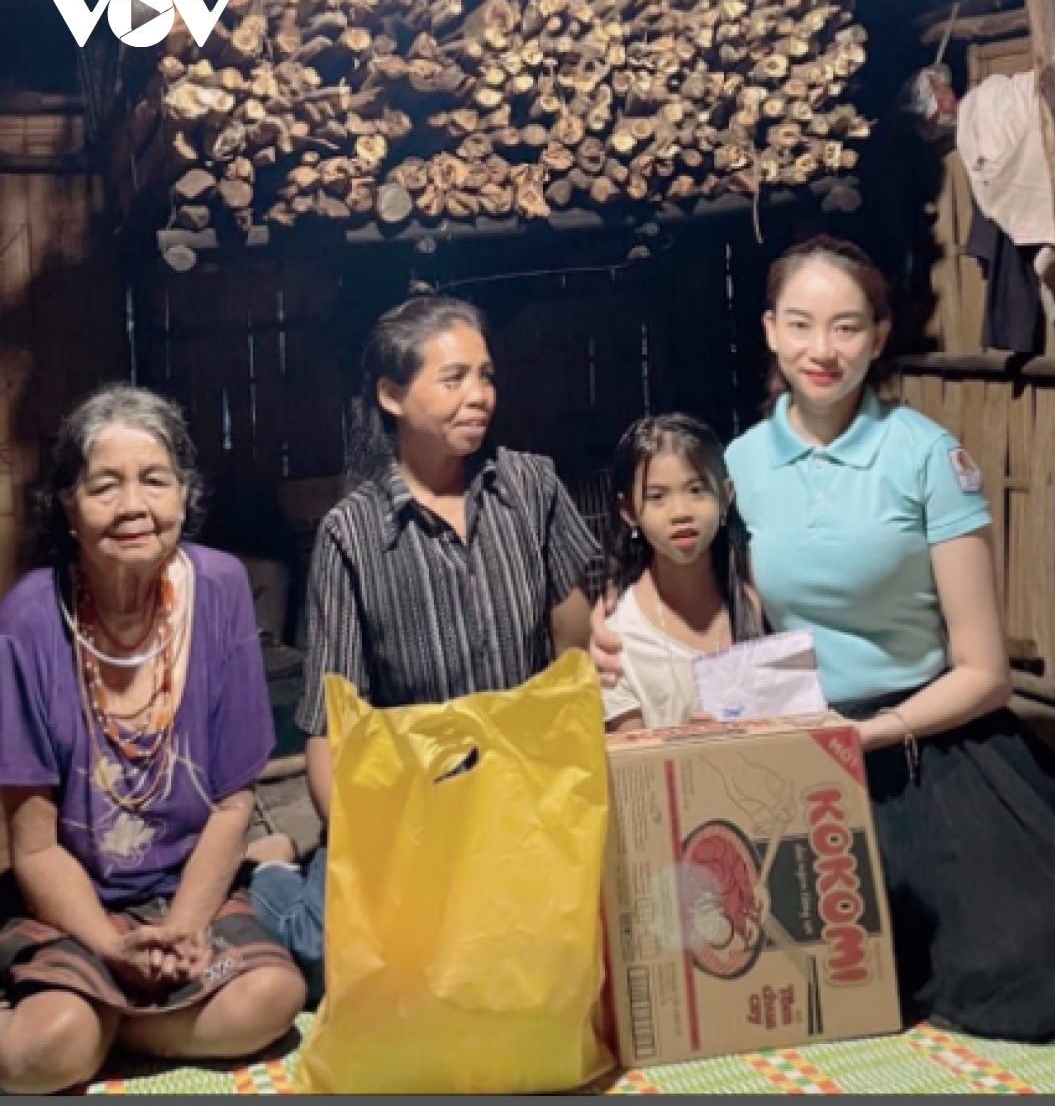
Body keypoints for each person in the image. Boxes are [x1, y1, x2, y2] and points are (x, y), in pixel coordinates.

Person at [592, 235, 1055, 1043]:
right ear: (771, 330)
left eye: (846, 327)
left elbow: (984, 673)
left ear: (879, 338)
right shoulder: (736, 465)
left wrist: (876, 732)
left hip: (929, 741)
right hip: (798, 743)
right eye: (801, 324)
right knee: (754, 953)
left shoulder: (928, 457)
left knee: (1017, 964)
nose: (821, 349)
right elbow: (685, 572)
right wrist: (612, 622)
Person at [250, 296, 598, 1005]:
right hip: (416, 809)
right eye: (454, 378)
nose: (480, 396)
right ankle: (274, 871)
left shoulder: (532, 487)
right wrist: (365, 846)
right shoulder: (353, 534)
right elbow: (329, 726)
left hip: (522, 796)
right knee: (333, 958)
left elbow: (575, 654)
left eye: (487, 375)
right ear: (391, 395)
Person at [0, 385, 306, 1094]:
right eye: (104, 486)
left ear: (183, 497)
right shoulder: (29, 621)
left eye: (154, 481)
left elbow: (233, 803)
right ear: (68, 508)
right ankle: (84, 1025)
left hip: (186, 896)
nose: (133, 506)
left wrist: (185, 931)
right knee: (47, 1044)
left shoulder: (222, 587)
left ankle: (108, 1027)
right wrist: (110, 947)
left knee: (269, 998)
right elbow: (35, 846)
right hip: (74, 907)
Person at [601, 414, 762, 732]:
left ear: (726, 496)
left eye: (696, 489)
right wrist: (685, 745)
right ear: (629, 512)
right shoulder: (619, 641)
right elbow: (634, 766)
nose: (681, 513)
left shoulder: (763, 599)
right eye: (657, 497)